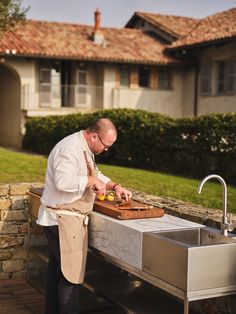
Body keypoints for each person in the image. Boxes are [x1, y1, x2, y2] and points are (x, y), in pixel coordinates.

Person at [36, 118, 132, 314]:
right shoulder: (69, 148)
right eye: (105, 145)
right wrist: (90, 180)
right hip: (62, 221)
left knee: (57, 272)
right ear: (94, 136)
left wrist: (115, 186)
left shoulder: (83, 147)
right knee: (69, 279)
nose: (106, 150)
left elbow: (95, 172)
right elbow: (64, 181)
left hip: (64, 219)